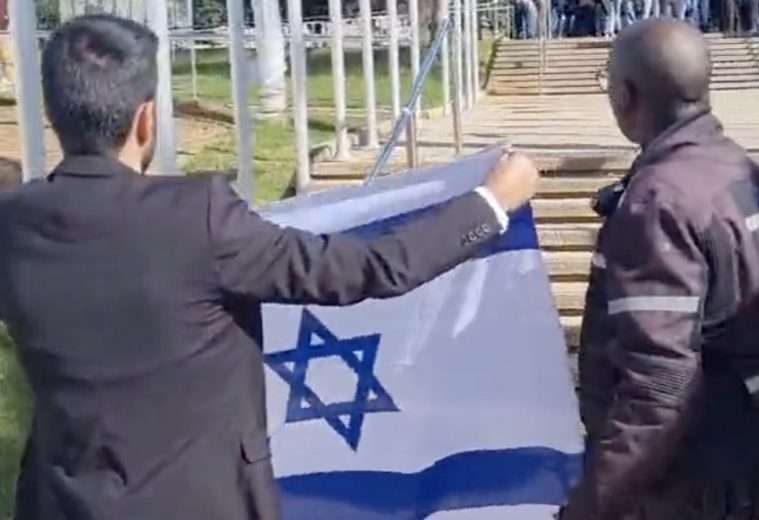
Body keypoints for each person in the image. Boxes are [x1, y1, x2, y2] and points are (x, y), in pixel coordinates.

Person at [0, 15, 539, 520]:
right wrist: (490, 205)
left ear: (52, 112)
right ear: (146, 119)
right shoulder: (199, 217)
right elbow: (367, 268)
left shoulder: (12, 224)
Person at [558, 19, 759, 520]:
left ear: (626, 95)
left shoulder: (658, 200)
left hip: (681, 479)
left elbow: (658, 387)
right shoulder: (742, 171)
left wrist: (590, 507)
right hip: (741, 452)